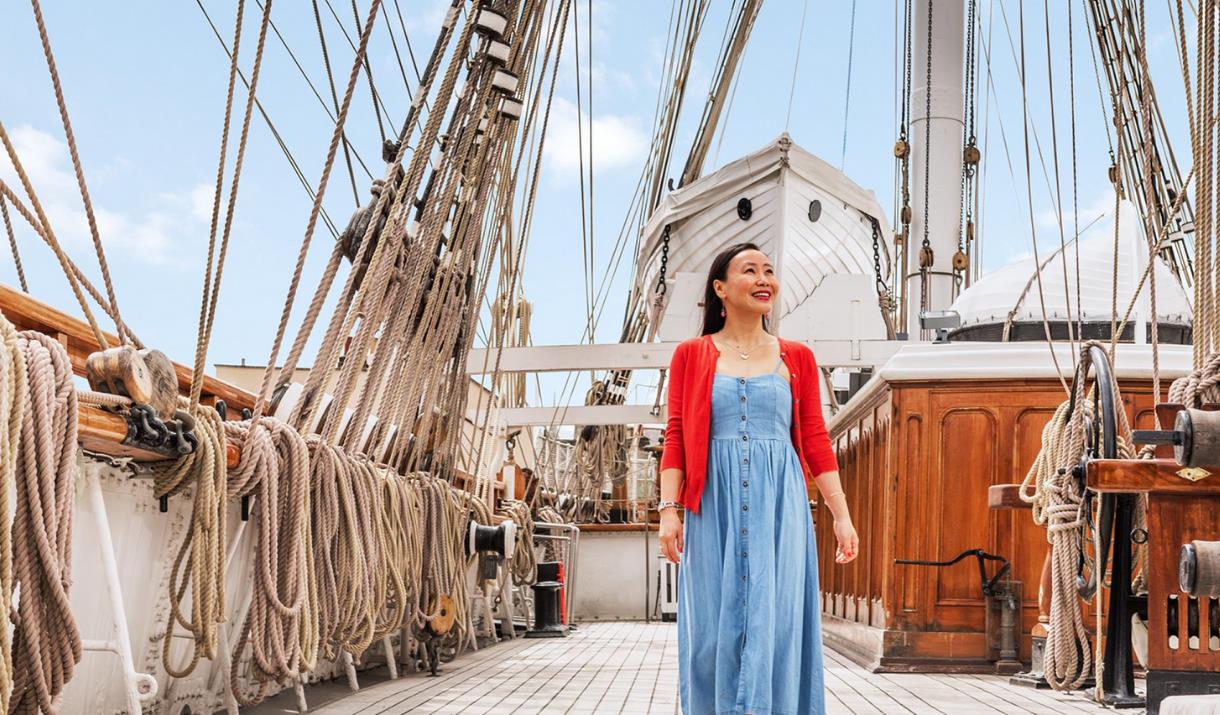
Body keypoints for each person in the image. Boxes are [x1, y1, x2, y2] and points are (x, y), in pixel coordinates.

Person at [657, 242, 858, 715]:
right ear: (720, 289)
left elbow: (813, 438)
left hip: (779, 507)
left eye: (770, 270)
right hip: (711, 506)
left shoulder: (798, 358)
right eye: (750, 270)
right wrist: (669, 511)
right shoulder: (691, 355)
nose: (765, 278)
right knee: (709, 628)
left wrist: (841, 516)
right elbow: (676, 437)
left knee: (780, 623)